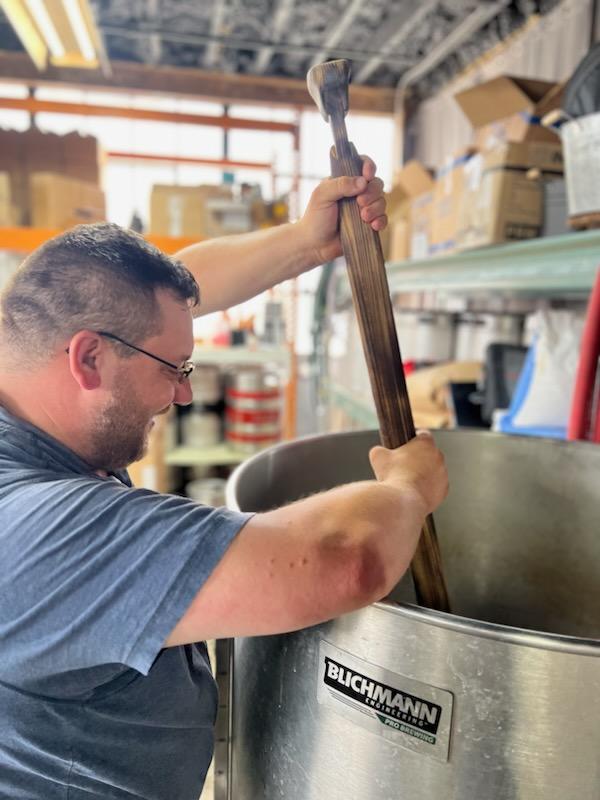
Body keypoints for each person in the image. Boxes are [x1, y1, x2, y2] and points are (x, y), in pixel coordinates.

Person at [0, 160, 448, 800]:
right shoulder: (35, 530)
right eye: (174, 369)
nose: (183, 393)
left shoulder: (28, 374)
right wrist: (408, 487)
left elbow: (166, 297)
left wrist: (305, 240)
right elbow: (347, 561)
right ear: (89, 358)